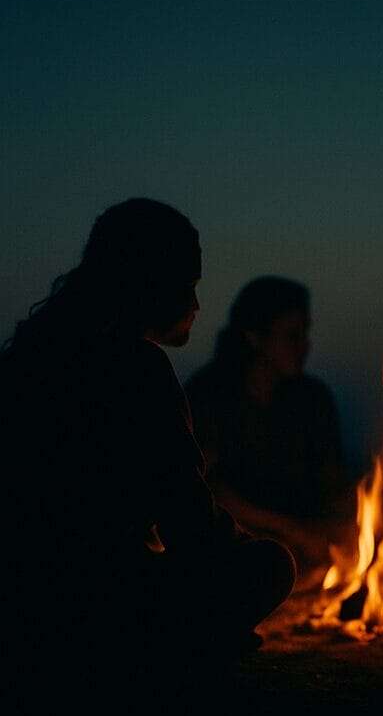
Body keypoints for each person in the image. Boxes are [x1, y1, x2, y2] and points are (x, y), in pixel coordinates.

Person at [0, 199, 295, 665]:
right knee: (273, 564)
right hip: (92, 603)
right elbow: (187, 519)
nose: (196, 304)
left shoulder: (30, 355)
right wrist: (244, 546)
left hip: (22, 596)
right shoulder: (136, 368)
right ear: (149, 284)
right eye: (188, 285)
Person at [184, 276, 350, 575]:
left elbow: (333, 480)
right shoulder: (209, 395)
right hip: (236, 543)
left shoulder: (313, 399)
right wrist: (293, 531)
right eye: (292, 336)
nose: (304, 346)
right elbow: (205, 490)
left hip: (308, 544)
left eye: (306, 334)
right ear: (254, 337)